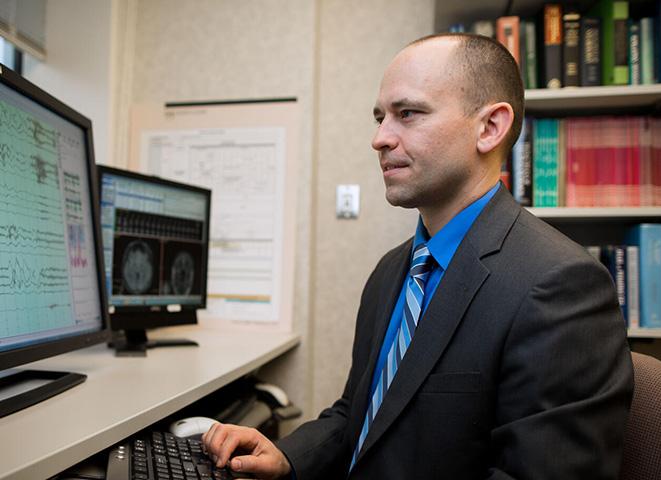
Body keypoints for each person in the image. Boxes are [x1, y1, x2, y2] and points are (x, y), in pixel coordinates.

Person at [202, 33, 634, 480]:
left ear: (490, 128)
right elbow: (359, 413)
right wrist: (289, 456)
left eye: (407, 114)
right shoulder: (393, 270)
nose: (379, 138)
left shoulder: (560, 284)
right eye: (379, 117)